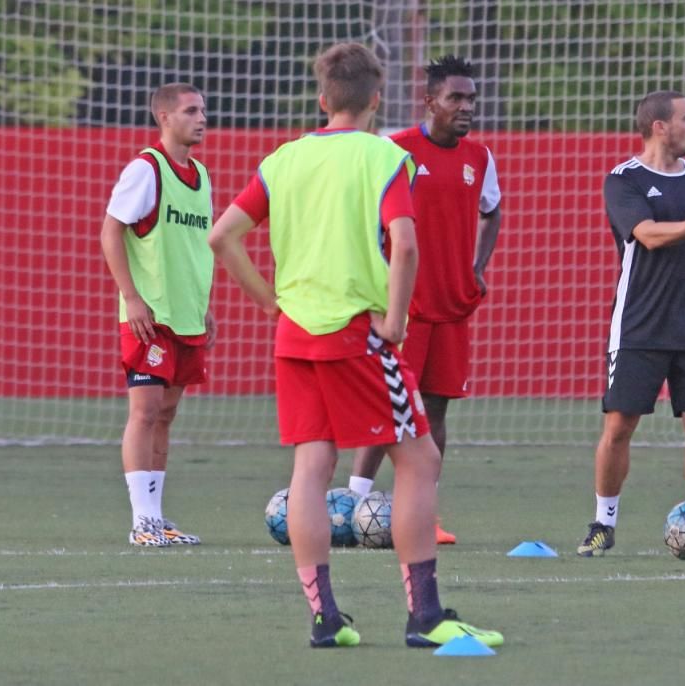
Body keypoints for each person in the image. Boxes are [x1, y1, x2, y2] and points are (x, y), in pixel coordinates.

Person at [208, 42, 503, 649]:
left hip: (295, 336)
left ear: (322, 99)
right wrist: (395, 319)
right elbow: (407, 242)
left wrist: (269, 301)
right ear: (375, 99)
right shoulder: (382, 154)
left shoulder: (284, 158)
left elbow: (223, 236)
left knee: (312, 468)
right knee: (420, 460)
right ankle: (425, 617)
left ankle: (325, 619)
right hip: (356, 332)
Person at [576, 90, 685, 560]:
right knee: (620, 425)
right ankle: (603, 523)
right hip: (640, 325)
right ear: (659, 126)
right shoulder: (623, 180)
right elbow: (648, 236)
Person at [347, 55, 502, 546]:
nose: (466, 107)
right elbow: (368, 226)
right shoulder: (395, 151)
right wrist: (378, 288)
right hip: (403, 310)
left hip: (452, 308)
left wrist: (475, 269)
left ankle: (424, 514)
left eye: (471, 99)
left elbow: (492, 210)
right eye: (455, 98)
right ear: (429, 101)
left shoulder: (479, 158)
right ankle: (351, 504)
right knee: (386, 407)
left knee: (435, 411)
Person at [100, 83, 214, 547]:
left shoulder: (201, 175)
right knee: (144, 412)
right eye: (191, 111)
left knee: (166, 415)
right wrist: (132, 297)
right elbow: (110, 233)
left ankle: (158, 518)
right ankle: (141, 521)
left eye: (204, 110)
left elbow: (195, 250)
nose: (202, 118)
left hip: (186, 315)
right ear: (165, 118)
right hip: (150, 316)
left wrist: (205, 308)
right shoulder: (146, 170)